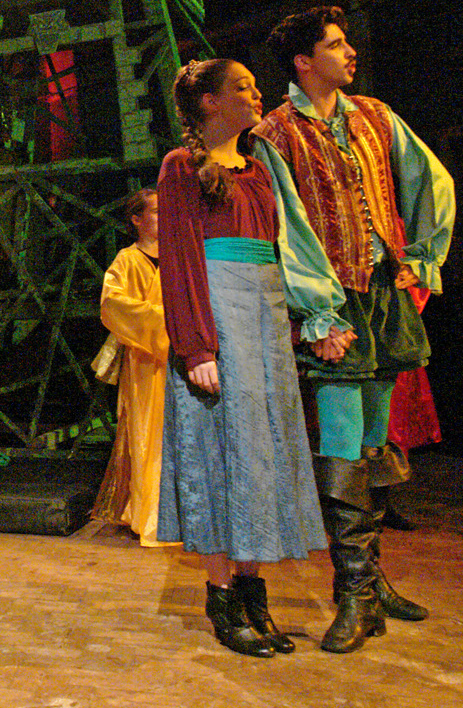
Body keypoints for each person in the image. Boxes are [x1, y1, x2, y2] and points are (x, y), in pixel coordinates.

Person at [255, 6, 455, 653]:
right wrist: (317, 311)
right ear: (303, 61)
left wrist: (422, 253)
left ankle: (372, 582)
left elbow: (430, 178)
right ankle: (353, 594)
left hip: (384, 292)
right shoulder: (276, 133)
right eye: (335, 45)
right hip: (334, 300)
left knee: (372, 441)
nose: (350, 53)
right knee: (342, 444)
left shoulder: (374, 115)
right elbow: (287, 227)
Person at [158, 59, 343, 658]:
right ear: (210, 102)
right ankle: (220, 597)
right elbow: (180, 257)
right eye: (242, 87)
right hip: (218, 317)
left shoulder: (261, 169)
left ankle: (252, 590)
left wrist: (310, 318)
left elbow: (289, 248)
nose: (256, 93)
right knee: (218, 457)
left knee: (261, 456)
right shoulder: (182, 166)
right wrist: (197, 345)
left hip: (265, 320)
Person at [90, 188, 174, 548]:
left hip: (180, 357)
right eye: (155, 211)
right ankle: (150, 513)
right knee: (147, 434)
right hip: (144, 359)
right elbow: (113, 304)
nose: (164, 216)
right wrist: (164, 323)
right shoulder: (127, 260)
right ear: (137, 220)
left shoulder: (178, 255)